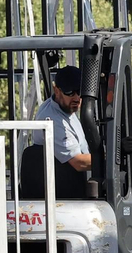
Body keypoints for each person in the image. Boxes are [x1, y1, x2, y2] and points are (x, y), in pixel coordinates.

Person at [33, 66, 92, 197]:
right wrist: (113, 160)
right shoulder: (53, 120)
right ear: (57, 91)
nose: (77, 98)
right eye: (70, 92)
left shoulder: (65, 109)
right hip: (64, 196)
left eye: (80, 91)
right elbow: (79, 162)